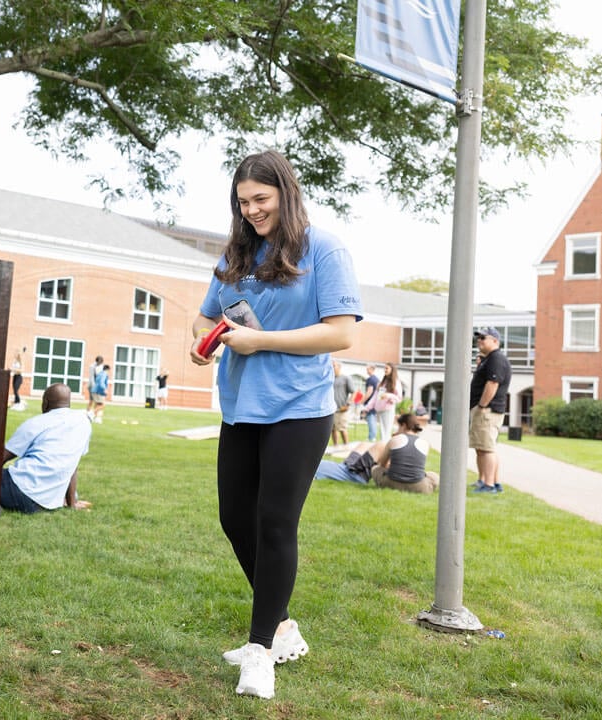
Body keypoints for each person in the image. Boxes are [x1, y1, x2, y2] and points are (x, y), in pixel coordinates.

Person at [189, 150, 361, 699]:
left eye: (260, 199)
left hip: (300, 408)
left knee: (274, 522)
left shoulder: (324, 248)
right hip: (242, 404)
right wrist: (204, 341)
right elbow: (208, 311)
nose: (253, 210)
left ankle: (260, 650)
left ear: (286, 193)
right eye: (243, 202)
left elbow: (339, 334)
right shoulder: (237, 251)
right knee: (234, 518)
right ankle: (283, 627)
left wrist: (260, 339)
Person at [0, 383, 93, 513]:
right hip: (46, 502)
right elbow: (73, 465)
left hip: (20, 491)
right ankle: (64, 500)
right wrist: (72, 504)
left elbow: (0, 459)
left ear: (45, 402)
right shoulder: (83, 423)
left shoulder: (36, 423)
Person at [470, 327, 511, 493]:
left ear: (495, 341)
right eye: (478, 338)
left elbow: (492, 384)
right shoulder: (489, 359)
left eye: (483, 338)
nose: (479, 341)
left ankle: (490, 484)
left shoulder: (496, 359)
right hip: (483, 410)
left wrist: (482, 405)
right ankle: (484, 480)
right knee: (481, 447)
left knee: (487, 448)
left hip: (487, 411)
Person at [370, 409, 438, 494]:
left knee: (375, 469)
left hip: (391, 483)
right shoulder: (425, 443)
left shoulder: (394, 440)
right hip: (418, 487)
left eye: (399, 427)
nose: (398, 430)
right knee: (434, 476)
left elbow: (382, 464)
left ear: (404, 425)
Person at [373, 362, 402, 441]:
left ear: (392, 370)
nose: (385, 370)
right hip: (380, 409)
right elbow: (376, 396)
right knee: (382, 432)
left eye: (387, 368)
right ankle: (383, 449)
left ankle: (386, 450)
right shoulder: (383, 382)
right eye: (384, 368)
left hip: (388, 409)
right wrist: (368, 407)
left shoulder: (396, 382)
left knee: (386, 432)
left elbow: (399, 398)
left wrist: (388, 395)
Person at [330, 360, 352, 448]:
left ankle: (346, 447)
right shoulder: (330, 379)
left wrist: (348, 404)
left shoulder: (346, 378)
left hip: (342, 409)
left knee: (343, 429)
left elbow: (354, 393)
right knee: (333, 429)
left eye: (334, 366)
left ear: (339, 367)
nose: (332, 367)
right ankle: (336, 447)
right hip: (332, 409)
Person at [362, 363, 380, 442]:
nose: (366, 370)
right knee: (372, 419)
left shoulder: (370, 379)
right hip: (375, 403)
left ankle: (371, 437)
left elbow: (369, 391)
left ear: (372, 369)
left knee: (371, 420)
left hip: (370, 403)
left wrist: (362, 401)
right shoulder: (376, 379)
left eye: (367, 368)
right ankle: (372, 436)